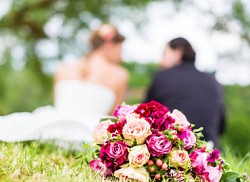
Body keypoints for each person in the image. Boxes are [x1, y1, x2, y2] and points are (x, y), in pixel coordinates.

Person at [0, 24, 129, 146]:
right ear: (110, 44)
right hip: (89, 132)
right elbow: (114, 114)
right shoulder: (119, 74)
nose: (121, 56)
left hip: (51, 126)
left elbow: (57, 103)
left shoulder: (64, 67)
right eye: (120, 49)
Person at [145, 37, 225, 148]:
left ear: (178, 52)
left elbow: (145, 115)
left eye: (164, 54)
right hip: (208, 150)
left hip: (173, 149)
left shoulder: (161, 77)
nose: (160, 61)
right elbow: (221, 126)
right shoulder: (214, 81)